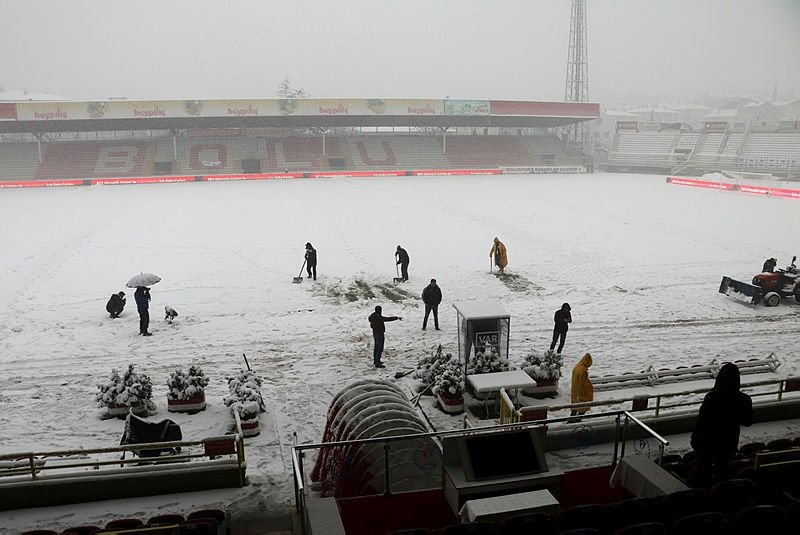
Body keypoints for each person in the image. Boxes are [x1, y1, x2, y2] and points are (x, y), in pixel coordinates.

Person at [690, 362, 753, 486]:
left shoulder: (711, 397)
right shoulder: (744, 399)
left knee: (704, 471)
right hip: (729, 442)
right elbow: (748, 422)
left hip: (707, 442)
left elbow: (701, 421)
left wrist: (694, 439)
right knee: (723, 470)